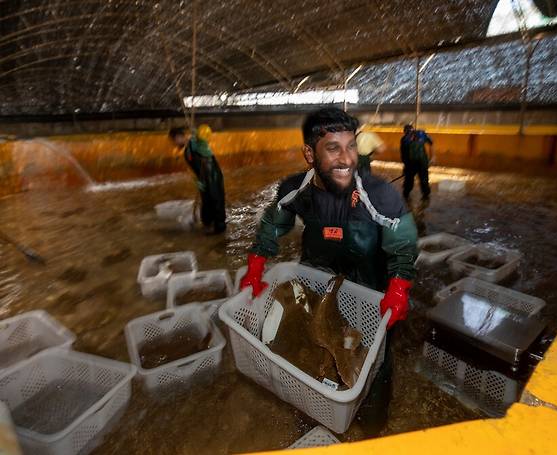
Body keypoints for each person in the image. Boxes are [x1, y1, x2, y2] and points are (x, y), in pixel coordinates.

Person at [239, 107, 418, 434]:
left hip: (369, 284)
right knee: (310, 347)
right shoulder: (298, 189)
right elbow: (271, 223)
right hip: (318, 277)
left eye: (351, 147)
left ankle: (373, 426)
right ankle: (315, 411)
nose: (346, 159)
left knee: (374, 360)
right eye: (333, 148)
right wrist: (256, 265)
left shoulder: (374, 192)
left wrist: (399, 286)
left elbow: (402, 238)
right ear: (309, 153)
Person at [169, 124, 227, 234]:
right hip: (203, 178)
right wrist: (197, 181)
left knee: (216, 200)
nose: (174, 144)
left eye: (174, 140)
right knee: (206, 202)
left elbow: (205, 147)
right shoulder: (187, 149)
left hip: (212, 176)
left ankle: (219, 227)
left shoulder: (195, 143)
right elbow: (193, 168)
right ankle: (207, 223)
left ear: (178, 137)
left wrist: (198, 137)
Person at [400, 124, 434, 200]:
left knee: (418, 181)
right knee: (420, 181)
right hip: (416, 163)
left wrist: (432, 157)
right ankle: (424, 197)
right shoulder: (421, 135)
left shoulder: (406, 138)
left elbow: (403, 154)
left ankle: (409, 196)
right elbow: (431, 143)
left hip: (417, 163)